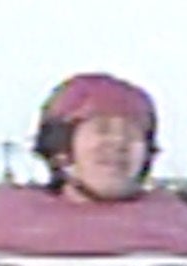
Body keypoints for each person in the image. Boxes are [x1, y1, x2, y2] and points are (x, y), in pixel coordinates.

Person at [33, 73, 160, 203]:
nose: (119, 141)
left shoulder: (172, 219)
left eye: (131, 134)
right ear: (61, 149)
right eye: (102, 130)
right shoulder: (19, 217)